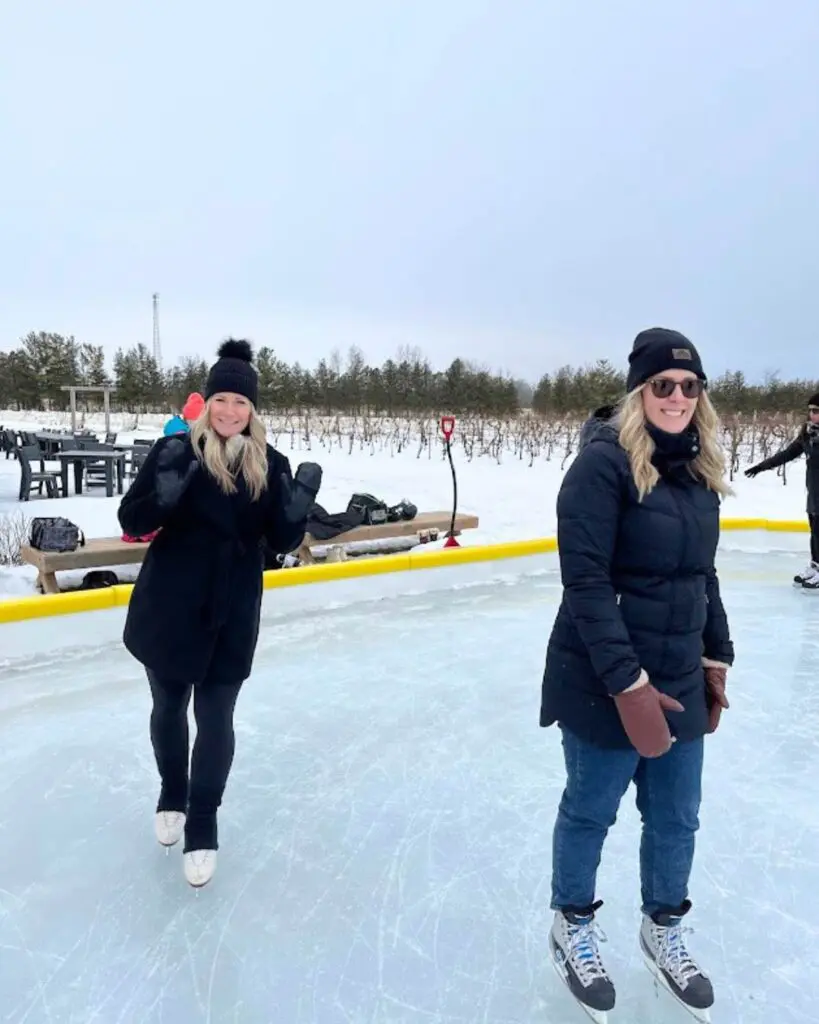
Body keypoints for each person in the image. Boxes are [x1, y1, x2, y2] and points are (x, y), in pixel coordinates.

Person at [540, 328, 734, 1021]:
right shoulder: (601, 466)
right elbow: (584, 582)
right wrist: (626, 682)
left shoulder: (696, 468)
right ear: (638, 392)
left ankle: (662, 926)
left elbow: (700, 572)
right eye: (661, 385)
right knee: (591, 810)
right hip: (602, 677)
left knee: (676, 818)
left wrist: (716, 654)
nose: (676, 397)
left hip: (678, 670)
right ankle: (572, 924)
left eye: (688, 386)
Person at [118, 340, 322, 888]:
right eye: (222, 399)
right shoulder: (175, 453)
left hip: (231, 608)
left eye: (241, 402)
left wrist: (295, 513)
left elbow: (277, 541)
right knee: (168, 707)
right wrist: (160, 494)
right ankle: (172, 792)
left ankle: (203, 821)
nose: (231, 411)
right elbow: (132, 519)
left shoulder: (270, 464)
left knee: (216, 717)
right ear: (206, 403)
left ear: (254, 410)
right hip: (171, 605)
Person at [744, 393, 819, 587]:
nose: (812, 415)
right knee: (815, 531)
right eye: (810, 411)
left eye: (817, 411)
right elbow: (788, 453)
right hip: (814, 490)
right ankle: (815, 566)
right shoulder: (808, 433)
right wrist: (762, 466)